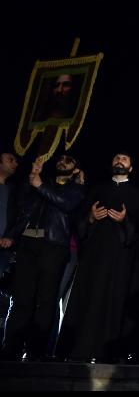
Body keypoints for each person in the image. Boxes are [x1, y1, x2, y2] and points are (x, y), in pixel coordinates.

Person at [55, 152, 139, 363]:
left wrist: (127, 220)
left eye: (124, 159)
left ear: (131, 168)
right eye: (116, 158)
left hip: (121, 260)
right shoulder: (96, 189)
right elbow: (79, 221)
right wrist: (90, 217)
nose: (119, 161)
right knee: (87, 297)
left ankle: (111, 352)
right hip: (93, 257)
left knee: (115, 301)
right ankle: (78, 350)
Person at [0, 155, 86, 361]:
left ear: (75, 169)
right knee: (21, 298)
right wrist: (34, 177)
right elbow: (22, 205)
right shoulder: (41, 182)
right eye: (61, 159)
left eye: (69, 160)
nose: (62, 162)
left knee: (45, 300)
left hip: (53, 246)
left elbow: (66, 204)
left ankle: (36, 350)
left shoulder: (76, 188)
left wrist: (40, 186)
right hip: (28, 243)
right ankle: (10, 348)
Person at [0, 151, 20, 345]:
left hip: (4, 250)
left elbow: (15, 219)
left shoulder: (13, 191)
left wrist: (10, 237)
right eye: (11, 160)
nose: (15, 164)